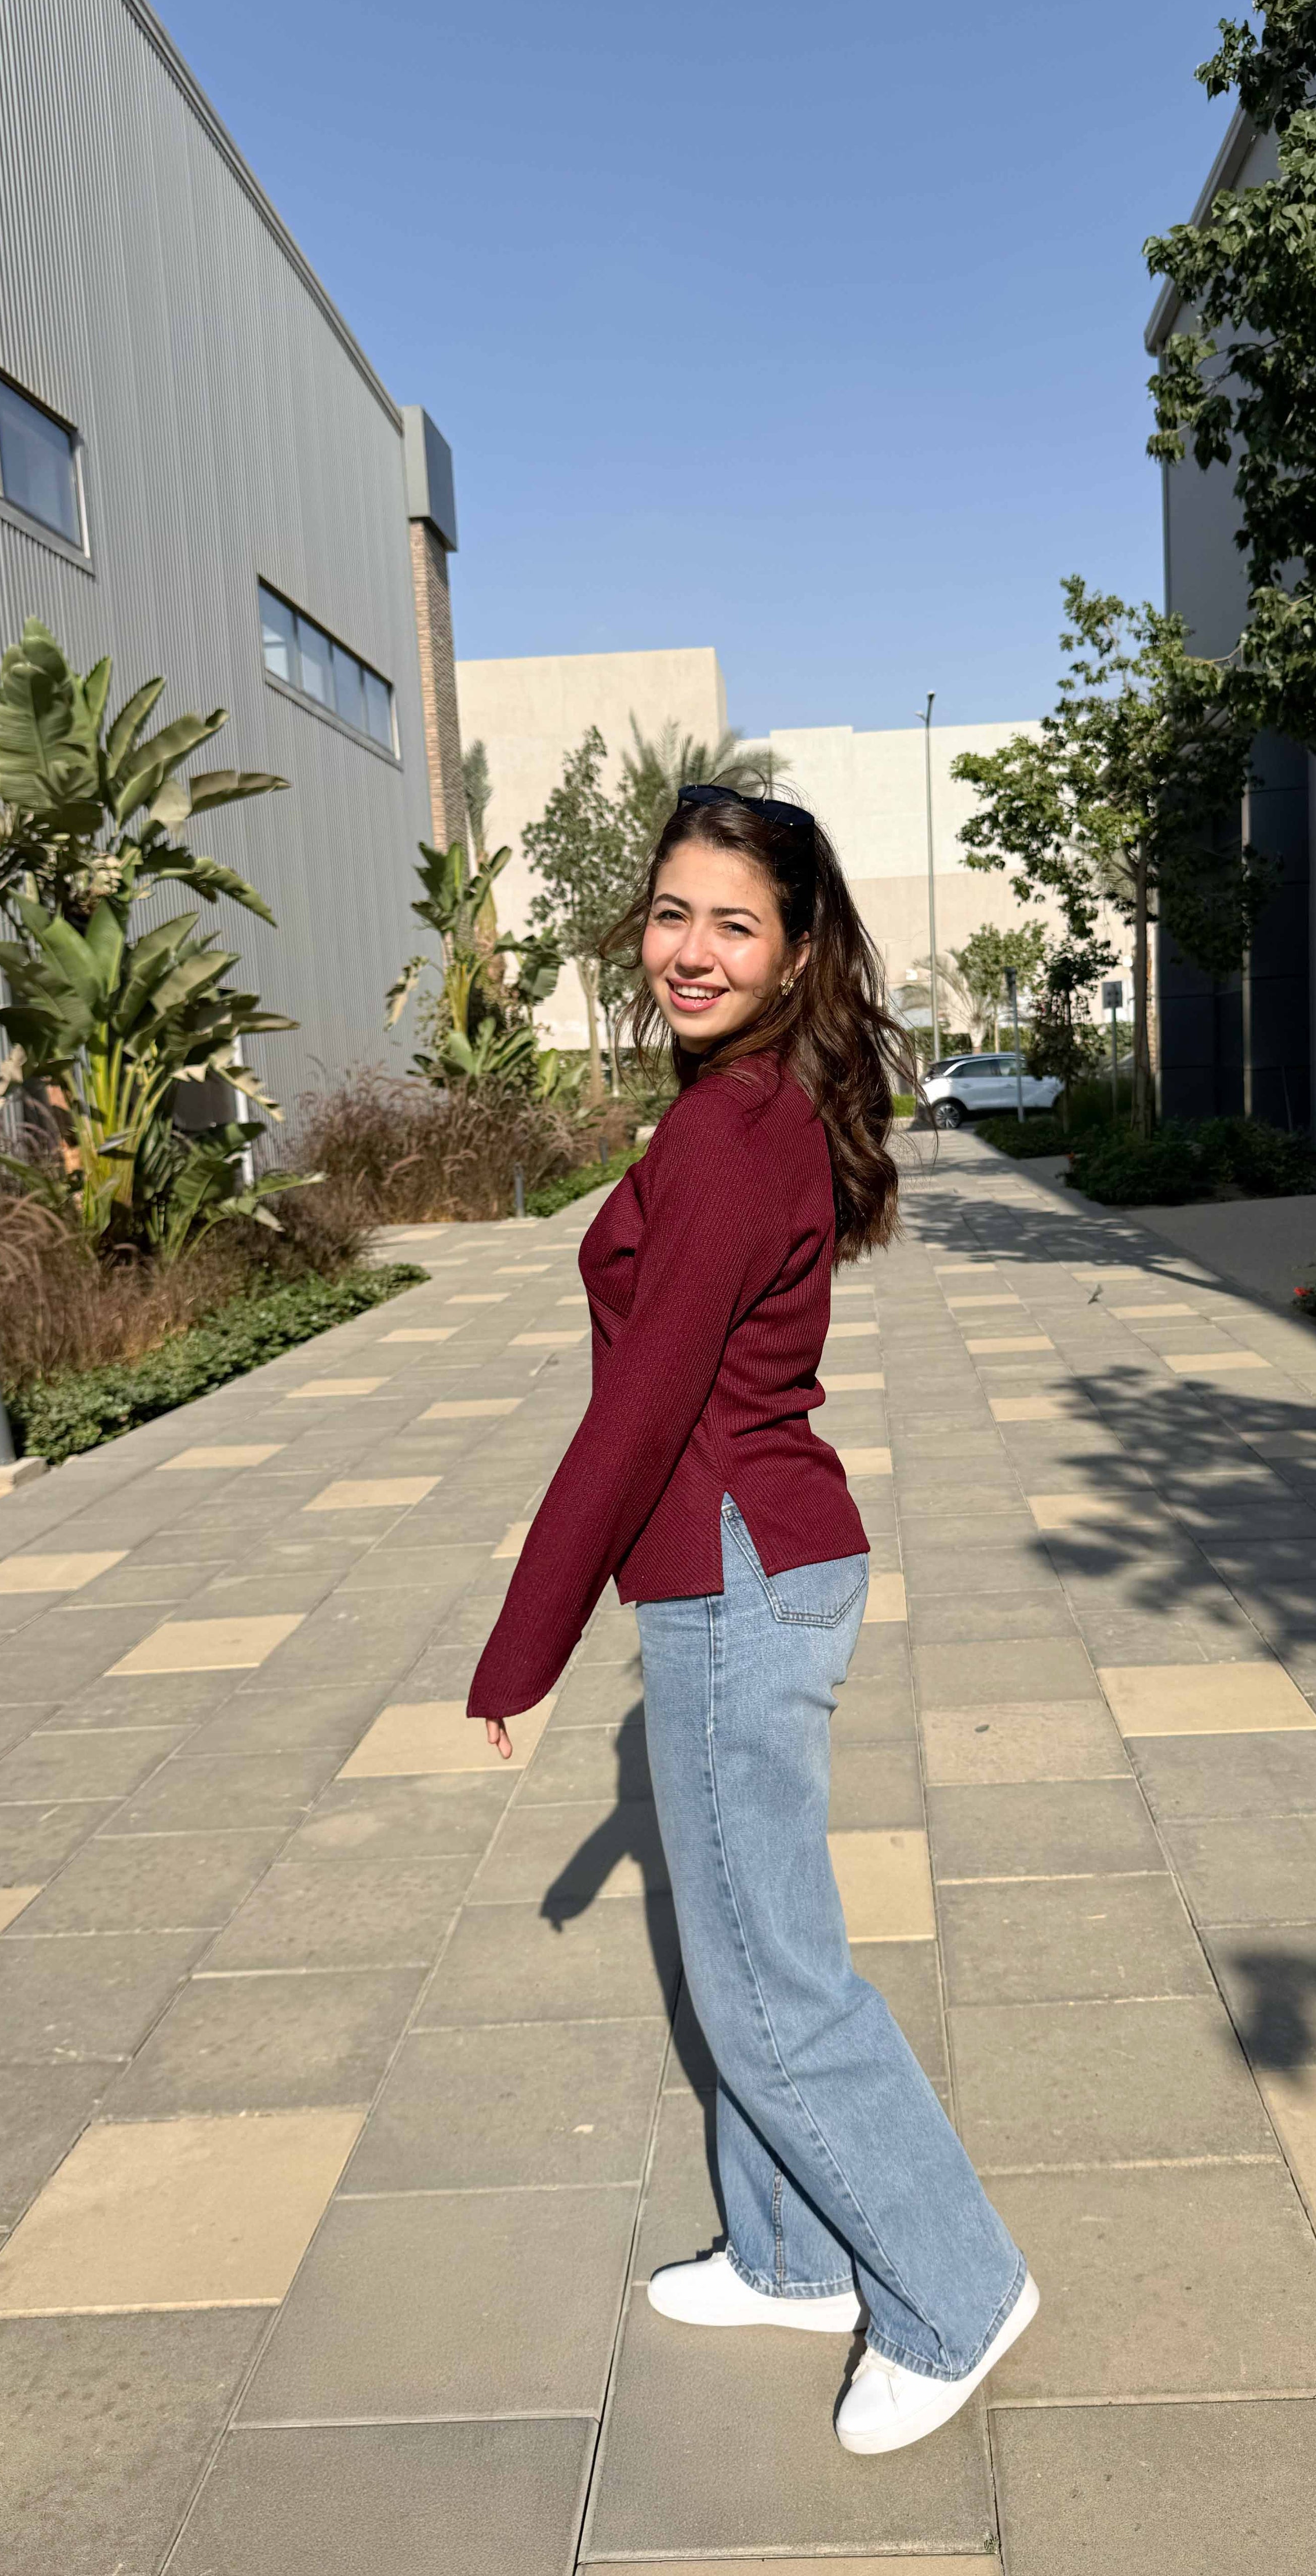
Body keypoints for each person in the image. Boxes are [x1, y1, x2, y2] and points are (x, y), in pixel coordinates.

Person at [466, 782, 1036, 2454]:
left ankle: (954, 2283)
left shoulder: (729, 1130)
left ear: (795, 954)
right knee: (740, 1946)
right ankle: (793, 2258)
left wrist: (522, 1649)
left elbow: (640, 1414)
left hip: (733, 1567)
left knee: (772, 1983)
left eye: (735, 922)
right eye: (670, 914)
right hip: (756, 1554)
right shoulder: (755, 1098)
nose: (690, 950)